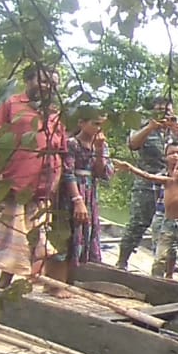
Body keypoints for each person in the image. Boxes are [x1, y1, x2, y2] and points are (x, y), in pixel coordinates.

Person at [0, 63, 68, 288]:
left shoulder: (55, 115)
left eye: (53, 84)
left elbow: (60, 152)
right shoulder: (11, 105)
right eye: (44, 81)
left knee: (24, 242)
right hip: (10, 185)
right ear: (28, 81)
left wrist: (55, 183)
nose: (48, 87)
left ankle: (4, 286)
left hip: (39, 190)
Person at [116, 95, 178, 270]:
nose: (164, 112)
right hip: (147, 181)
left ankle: (168, 268)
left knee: (172, 224)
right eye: (159, 108)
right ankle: (122, 261)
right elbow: (132, 144)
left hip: (173, 184)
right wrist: (150, 127)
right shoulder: (144, 124)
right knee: (138, 222)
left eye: (167, 109)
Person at [54, 106, 114, 283]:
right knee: (70, 234)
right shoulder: (72, 143)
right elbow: (68, 172)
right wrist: (77, 200)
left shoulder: (102, 146)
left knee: (87, 234)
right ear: (82, 123)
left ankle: (77, 279)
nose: (98, 129)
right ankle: (60, 281)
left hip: (90, 192)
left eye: (101, 125)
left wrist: (99, 150)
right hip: (72, 193)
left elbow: (102, 173)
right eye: (95, 124)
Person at [151, 141, 178, 278]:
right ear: (165, 156)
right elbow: (156, 196)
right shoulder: (160, 176)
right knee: (158, 246)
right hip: (161, 215)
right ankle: (157, 276)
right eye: (171, 153)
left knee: (173, 248)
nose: (175, 156)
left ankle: (170, 275)